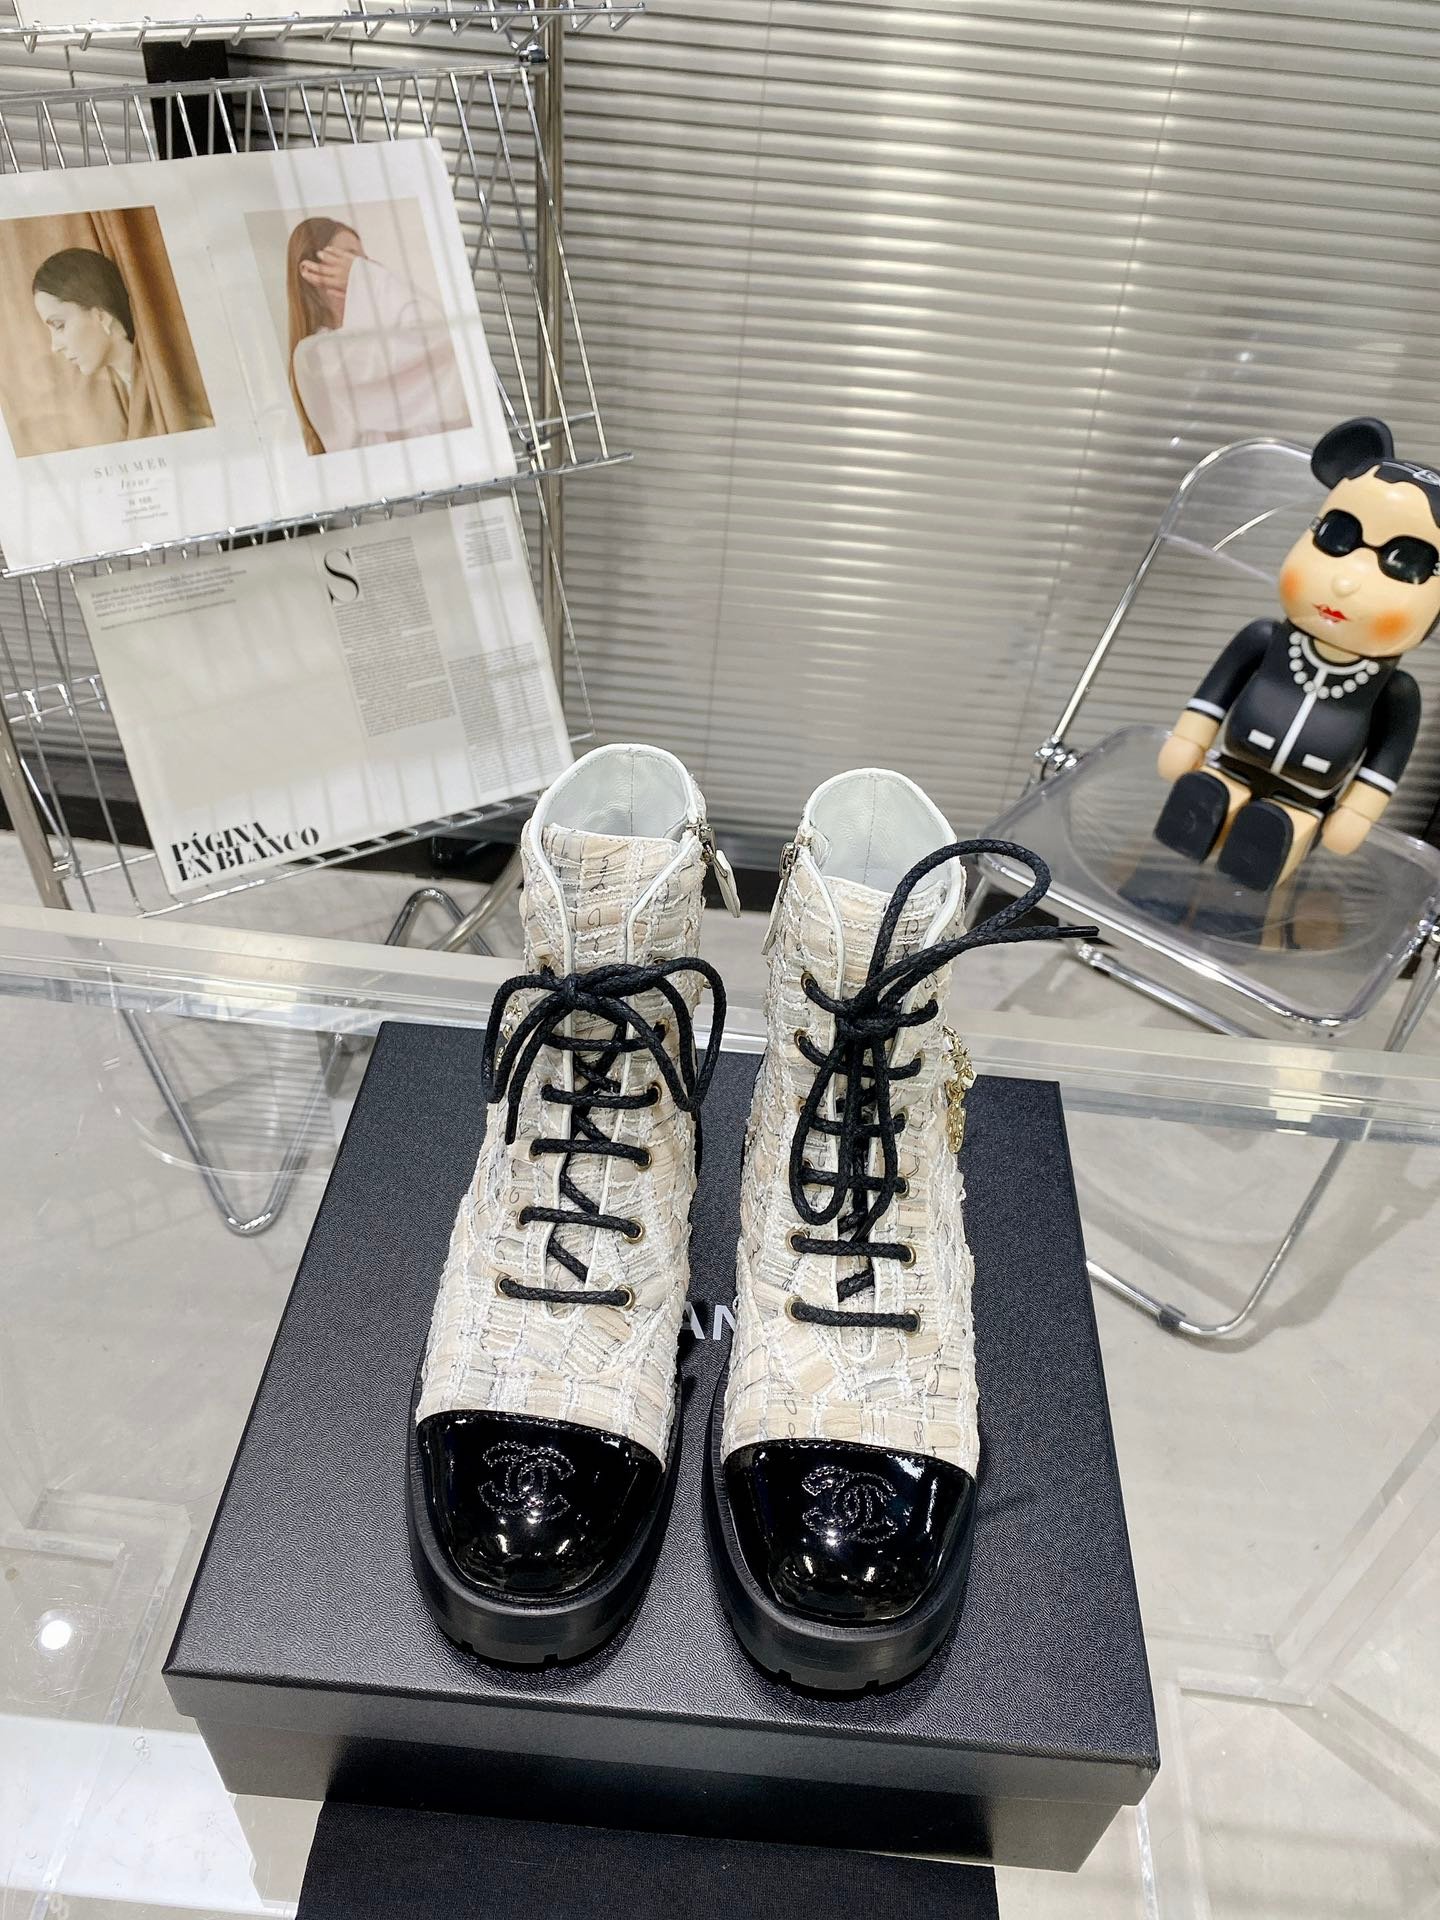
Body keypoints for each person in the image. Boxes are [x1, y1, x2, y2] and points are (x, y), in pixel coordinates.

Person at [284, 215, 471, 456]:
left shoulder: (381, 342)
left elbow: (442, 337)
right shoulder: (315, 357)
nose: (363, 271)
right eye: (350, 259)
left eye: (364, 264)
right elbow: (432, 333)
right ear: (310, 270)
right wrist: (369, 279)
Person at [31, 246, 212, 444]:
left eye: (59, 325)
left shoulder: (181, 375)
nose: (54, 346)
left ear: (102, 316)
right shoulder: (107, 400)